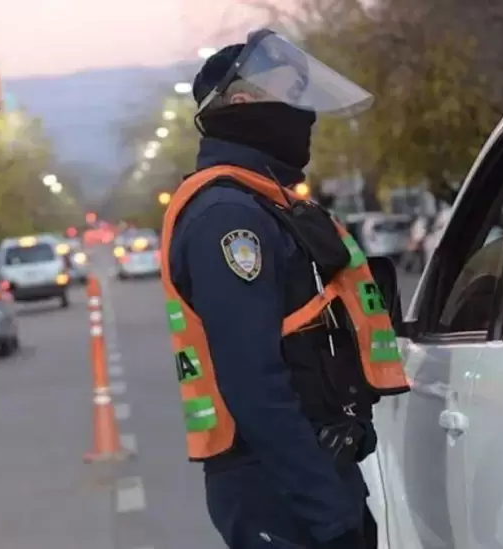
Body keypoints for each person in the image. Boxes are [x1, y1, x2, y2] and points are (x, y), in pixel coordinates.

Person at [159, 30, 410, 549]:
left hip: (310, 473)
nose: (304, 114)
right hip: (277, 488)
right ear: (243, 105)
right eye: (290, 96)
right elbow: (253, 382)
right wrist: (326, 511)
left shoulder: (270, 205)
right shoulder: (228, 218)